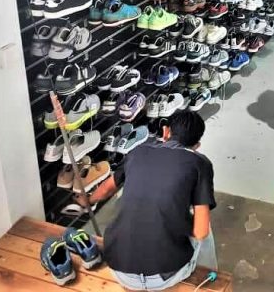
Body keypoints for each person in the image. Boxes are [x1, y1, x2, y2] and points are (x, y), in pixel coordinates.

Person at [76, 111, 217, 290]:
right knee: (204, 224)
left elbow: (106, 189)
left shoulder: (138, 152)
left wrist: (87, 200)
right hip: (164, 277)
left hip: (119, 269)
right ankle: (209, 277)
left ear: (166, 132)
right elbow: (200, 232)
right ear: (197, 145)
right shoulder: (201, 164)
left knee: (133, 202)